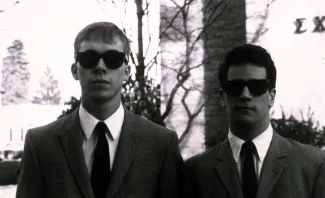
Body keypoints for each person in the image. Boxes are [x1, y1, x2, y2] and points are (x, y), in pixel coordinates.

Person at [16, 22, 183, 198]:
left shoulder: (161, 144)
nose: (100, 67)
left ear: (127, 72)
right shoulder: (40, 144)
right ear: (74, 70)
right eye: (89, 58)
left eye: (113, 59)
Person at [181, 44, 325, 198]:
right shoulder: (195, 171)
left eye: (257, 86)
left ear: (272, 96)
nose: (245, 95)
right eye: (235, 87)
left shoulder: (313, 165)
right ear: (223, 97)